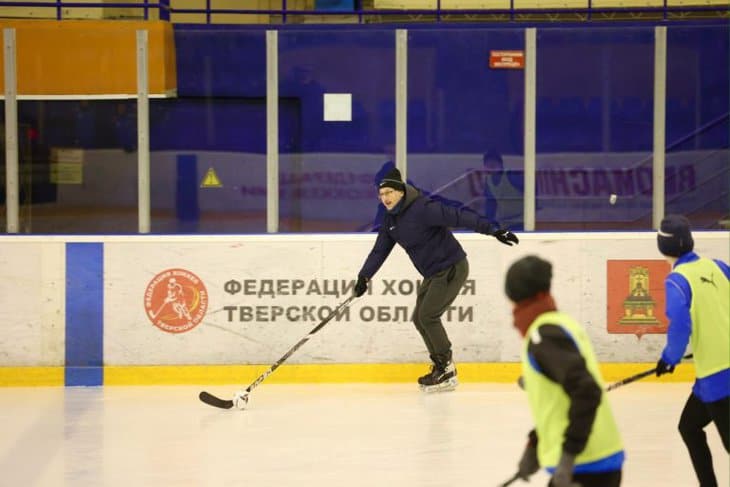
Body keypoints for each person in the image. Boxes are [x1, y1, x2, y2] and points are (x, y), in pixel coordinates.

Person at [352, 167, 519, 392]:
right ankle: (440, 365)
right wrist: (364, 276)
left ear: (400, 191)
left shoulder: (423, 208)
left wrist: (494, 230)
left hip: (452, 267)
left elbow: (459, 216)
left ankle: (447, 369)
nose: (385, 199)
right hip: (432, 273)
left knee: (428, 315)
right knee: (419, 318)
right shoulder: (390, 219)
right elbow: (379, 251)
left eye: (389, 192)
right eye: (381, 195)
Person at [505, 255, 624, 487]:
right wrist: (535, 446)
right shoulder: (560, 324)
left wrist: (569, 456)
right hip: (595, 462)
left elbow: (587, 391)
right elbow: (559, 402)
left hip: (584, 467)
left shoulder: (543, 336)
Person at [654, 214, 729, 487]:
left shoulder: (677, 281)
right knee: (689, 427)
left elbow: (680, 327)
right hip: (714, 373)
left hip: (719, 375)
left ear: (663, 247)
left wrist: (669, 358)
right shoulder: (719, 266)